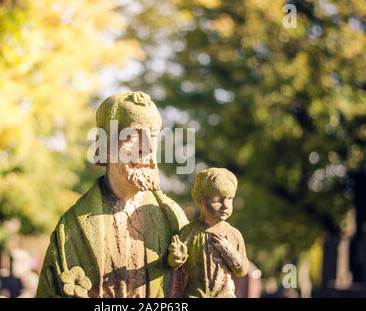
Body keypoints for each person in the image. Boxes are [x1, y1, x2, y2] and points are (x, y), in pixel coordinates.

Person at [36, 91, 188, 298]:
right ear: (105, 147)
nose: (148, 148)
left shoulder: (173, 219)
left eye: (153, 136)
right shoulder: (71, 227)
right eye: (134, 137)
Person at [168, 168, 249, 297]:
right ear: (200, 200)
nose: (226, 205)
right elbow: (174, 265)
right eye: (217, 200)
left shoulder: (234, 234)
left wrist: (229, 252)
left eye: (230, 198)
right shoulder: (189, 232)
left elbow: (242, 270)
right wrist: (177, 257)